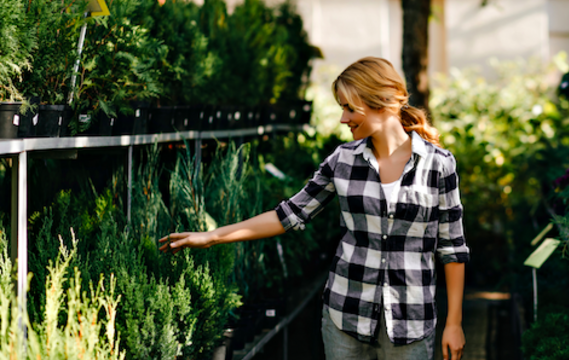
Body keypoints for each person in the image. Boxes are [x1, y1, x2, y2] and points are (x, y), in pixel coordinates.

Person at [159, 56, 470, 360]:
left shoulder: (438, 165)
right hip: (345, 316)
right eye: (342, 108)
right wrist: (212, 236)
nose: (343, 119)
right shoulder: (343, 161)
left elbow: (452, 248)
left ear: (383, 103)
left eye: (350, 108)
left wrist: (453, 323)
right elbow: (289, 214)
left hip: (410, 322)